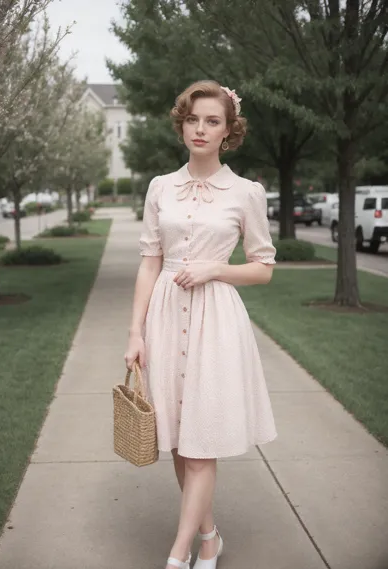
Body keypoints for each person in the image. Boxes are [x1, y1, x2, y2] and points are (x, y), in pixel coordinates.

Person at [124, 80, 277, 569]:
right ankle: (208, 536)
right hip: (166, 318)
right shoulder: (159, 187)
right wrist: (135, 332)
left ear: (229, 131)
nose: (201, 129)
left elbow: (264, 267)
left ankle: (177, 555)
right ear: (182, 123)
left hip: (215, 322)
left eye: (213, 121)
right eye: (193, 119)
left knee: (201, 444)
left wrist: (216, 269)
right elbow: (150, 262)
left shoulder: (246, 193)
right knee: (176, 439)